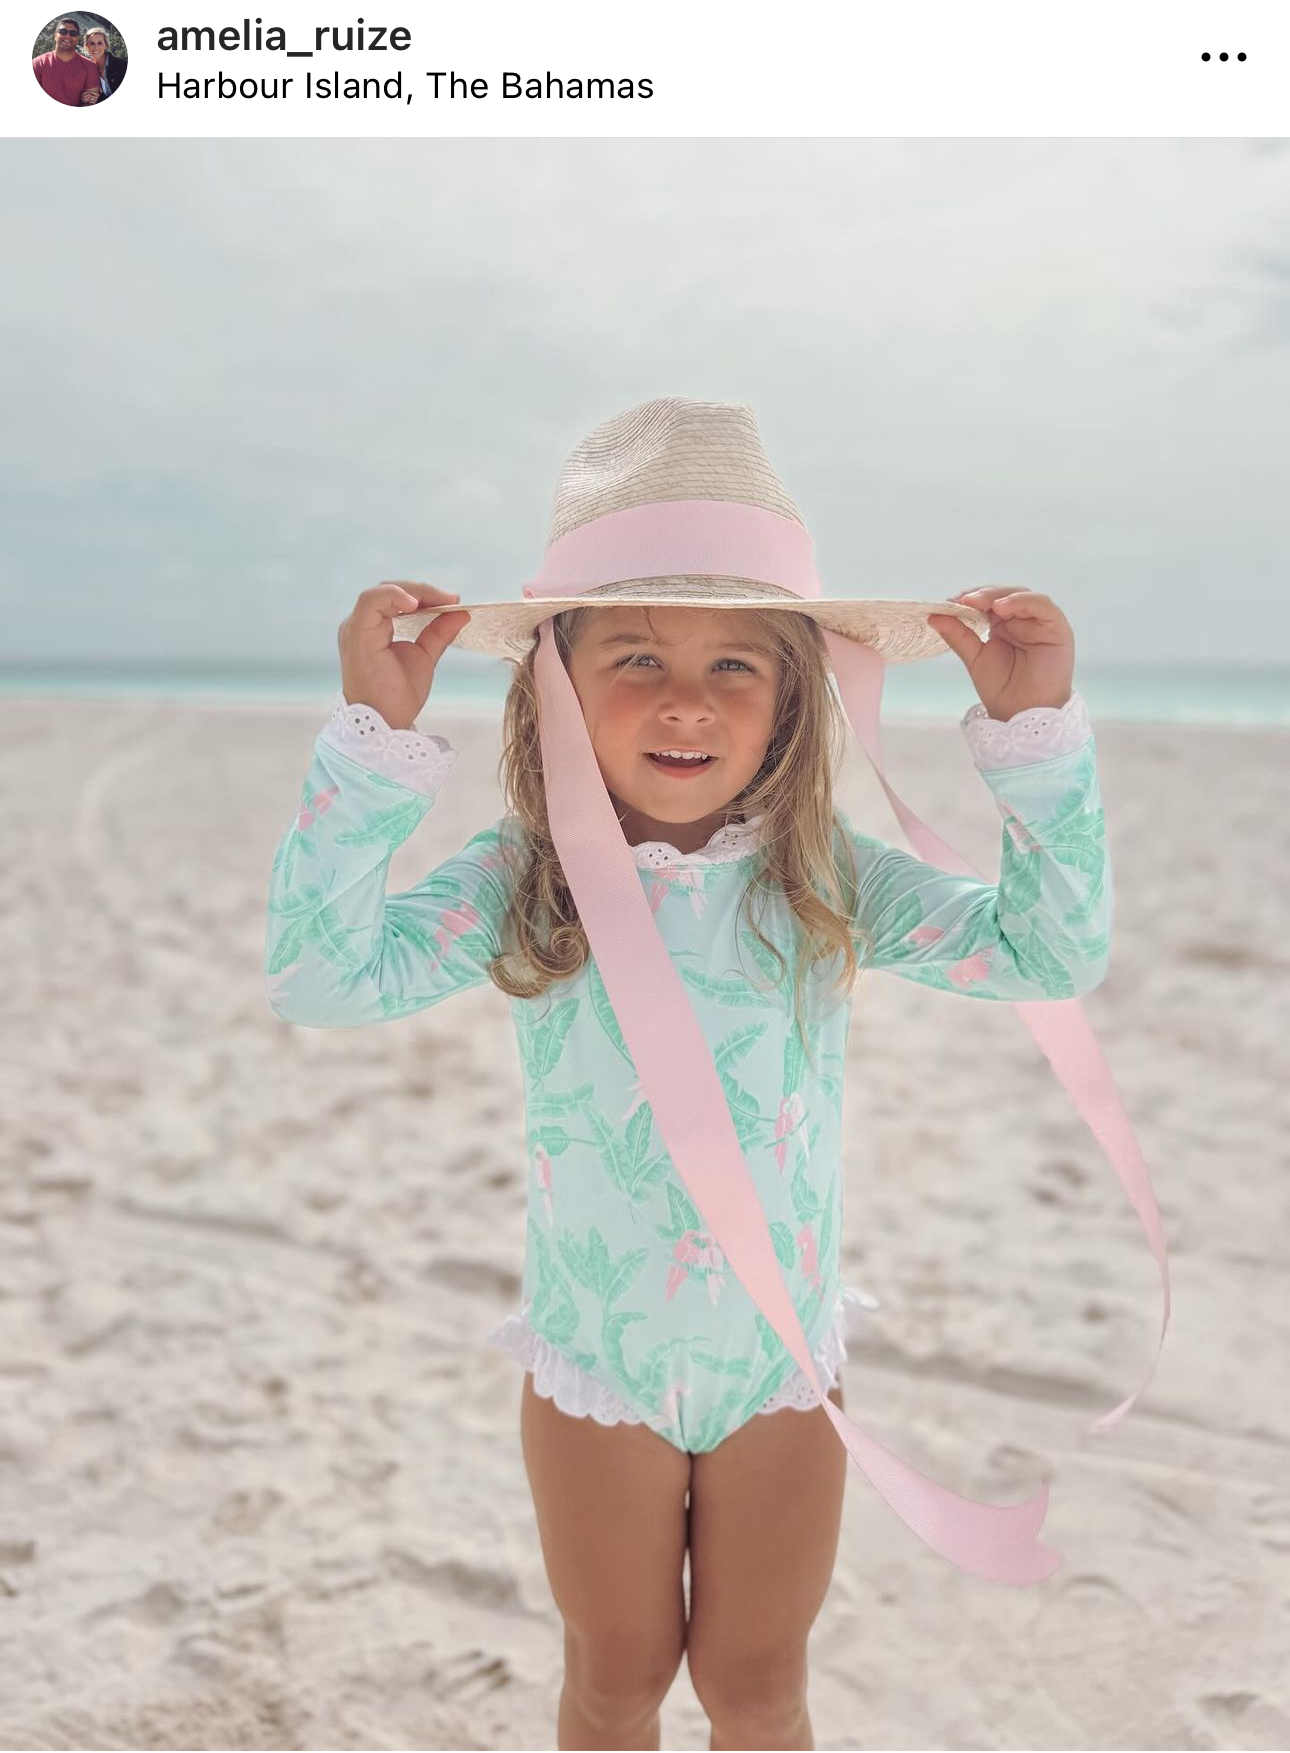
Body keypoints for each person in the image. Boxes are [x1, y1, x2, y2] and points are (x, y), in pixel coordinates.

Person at [265, 398, 1167, 1749]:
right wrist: (371, 746)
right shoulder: (524, 875)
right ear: (556, 683)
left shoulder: (823, 879)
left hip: (780, 1365)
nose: (685, 699)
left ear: (792, 699)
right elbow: (324, 977)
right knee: (614, 1681)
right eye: (632, 653)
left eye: (735, 665)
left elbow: (1043, 951)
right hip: (598, 1364)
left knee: (758, 1689)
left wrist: (1034, 741)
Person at [31, 18, 102, 106]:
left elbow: (90, 102)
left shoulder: (89, 66)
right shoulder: (38, 64)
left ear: (77, 39)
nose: (68, 36)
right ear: (55, 36)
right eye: (63, 32)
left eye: (73, 33)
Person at [82, 26, 127, 101]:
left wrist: (100, 99)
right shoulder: (89, 70)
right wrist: (84, 98)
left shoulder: (122, 66)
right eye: (92, 43)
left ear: (106, 45)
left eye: (100, 43)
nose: (96, 47)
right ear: (87, 47)